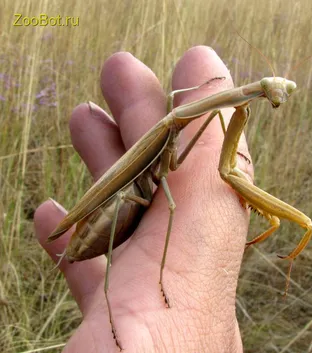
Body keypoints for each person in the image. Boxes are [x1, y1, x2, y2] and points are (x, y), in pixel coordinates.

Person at [34, 46, 253, 352]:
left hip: (135, 191)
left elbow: (211, 112)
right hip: (124, 195)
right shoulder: (173, 124)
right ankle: (138, 294)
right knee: (172, 207)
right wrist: (162, 286)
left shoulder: (187, 121)